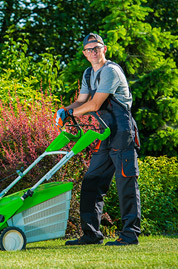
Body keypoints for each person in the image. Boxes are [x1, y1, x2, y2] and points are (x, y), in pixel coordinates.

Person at [54, 33, 141, 246]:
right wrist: (65, 110)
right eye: (89, 49)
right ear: (84, 53)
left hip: (122, 133)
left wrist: (72, 114)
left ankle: (129, 235)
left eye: (97, 47)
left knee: (126, 183)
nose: (93, 52)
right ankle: (91, 234)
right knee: (92, 181)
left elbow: (94, 105)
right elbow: (81, 101)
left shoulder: (111, 71)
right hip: (105, 134)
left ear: (104, 49)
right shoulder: (88, 74)